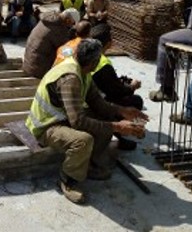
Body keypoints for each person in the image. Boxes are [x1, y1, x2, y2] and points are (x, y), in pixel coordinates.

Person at [25, 39, 149, 204]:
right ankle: (68, 180)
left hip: (63, 117)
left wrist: (122, 110)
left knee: (105, 118)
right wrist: (118, 127)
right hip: (46, 126)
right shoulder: (71, 79)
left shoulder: (83, 71)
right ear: (94, 62)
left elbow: (98, 103)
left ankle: (91, 163)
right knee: (83, 141)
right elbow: (78, 122)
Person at [89, 24, 144, 150]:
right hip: (96, 102)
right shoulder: (103, 63)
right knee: (135, 101)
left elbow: (110, 83)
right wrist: (132, 87)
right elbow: (117, 92)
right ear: (108, 43)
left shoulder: (88, 55)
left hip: (93, 96)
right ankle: (118, 134)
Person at [23, 8, 80, 79]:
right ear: (67, 20)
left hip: (28, 62)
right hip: (37, 69)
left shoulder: (49, 20)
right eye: (73, 23)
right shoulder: (57, 29)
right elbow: (67, 49)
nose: (72, 26)